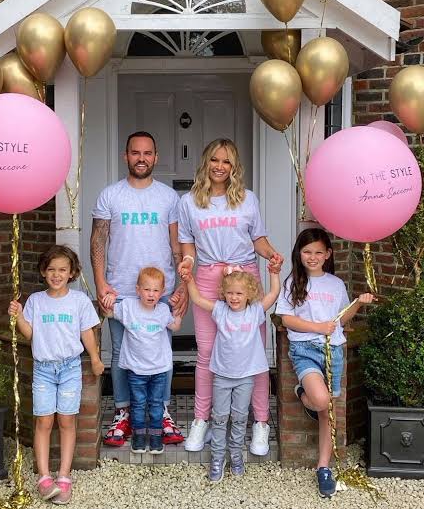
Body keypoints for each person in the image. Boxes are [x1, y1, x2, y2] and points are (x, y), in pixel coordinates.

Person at [178, 138, 283, 455]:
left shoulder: (248, 199)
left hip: (246, 277)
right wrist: (188, 263)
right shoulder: (189, 203)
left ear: (234, 167)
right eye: (214, 160)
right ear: (205, 162)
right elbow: (188, 246)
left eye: (226, 162)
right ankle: (202, 420)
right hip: (209, 276)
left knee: (254, 354)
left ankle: (260, 424)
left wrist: (271, 255)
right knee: (208, 354)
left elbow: (259, 239)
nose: (219, 167)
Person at [91, 131, 188, 447]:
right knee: (122, 354)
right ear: (126, 156)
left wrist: (182, 286)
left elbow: (177, 245)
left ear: (156, 157)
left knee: (161, 354)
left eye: (147, 153)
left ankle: (160, 412)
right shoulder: (110, 195)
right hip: (120, 290)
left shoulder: (169, 198)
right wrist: (100, 283)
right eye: (135, 153)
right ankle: (124, 413)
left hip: (160, 292)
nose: (141, 158)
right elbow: (98, 241)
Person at [275, 228, 375, 498]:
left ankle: (323, 467)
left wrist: (357, 303)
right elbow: (286, 319)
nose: (313, 257)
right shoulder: (293, 282)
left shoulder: (335, 284)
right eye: (307, 252)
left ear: (328, 254)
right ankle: (302, 393)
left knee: (326, 413)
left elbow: (340, 320)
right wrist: (317, 327)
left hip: (333, 352)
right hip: (305, 350)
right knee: (321, 401)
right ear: (299, 253)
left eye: (319, 252)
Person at [8, 245, 104, 505]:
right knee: (44, 422)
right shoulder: (37, 301)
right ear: (43, 271)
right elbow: (31, 335)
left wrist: (95, 358)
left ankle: (63, 475)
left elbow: (87, 332)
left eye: (62, 269)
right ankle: (44, 477)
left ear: (72, 272)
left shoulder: (79, 301)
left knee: (66, 421)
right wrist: (18, 317)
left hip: (70, 367)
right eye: (51, 269)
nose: (56, 274)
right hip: (44, 370)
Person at [183, 266, 280, 482]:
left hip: (246, 377)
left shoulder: (255, 312)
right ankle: (217, 457)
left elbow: (273, 294)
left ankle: (236, 453)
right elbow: (197, 299)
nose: (234, 298)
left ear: (249, 294)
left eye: (239, 293)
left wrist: (274, 272)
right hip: (222, 376)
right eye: (230, 293)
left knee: (239, 418)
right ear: (223, 294)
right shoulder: (220, 310)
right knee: (219, 418)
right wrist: (189, 279)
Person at [102, 267, 182, 453]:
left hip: (158, 370)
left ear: (161, 293)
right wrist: (109, 300)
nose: (151, 294)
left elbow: (175, 326)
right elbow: (109, 313)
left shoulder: (162, 310)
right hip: (136, 370)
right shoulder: (129, 307)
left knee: (156, 404)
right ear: (138, 290)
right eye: (147, 289)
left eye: (155, 290)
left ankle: (155, 438)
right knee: (137, 404)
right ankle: (138, 438)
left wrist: (177, 310)